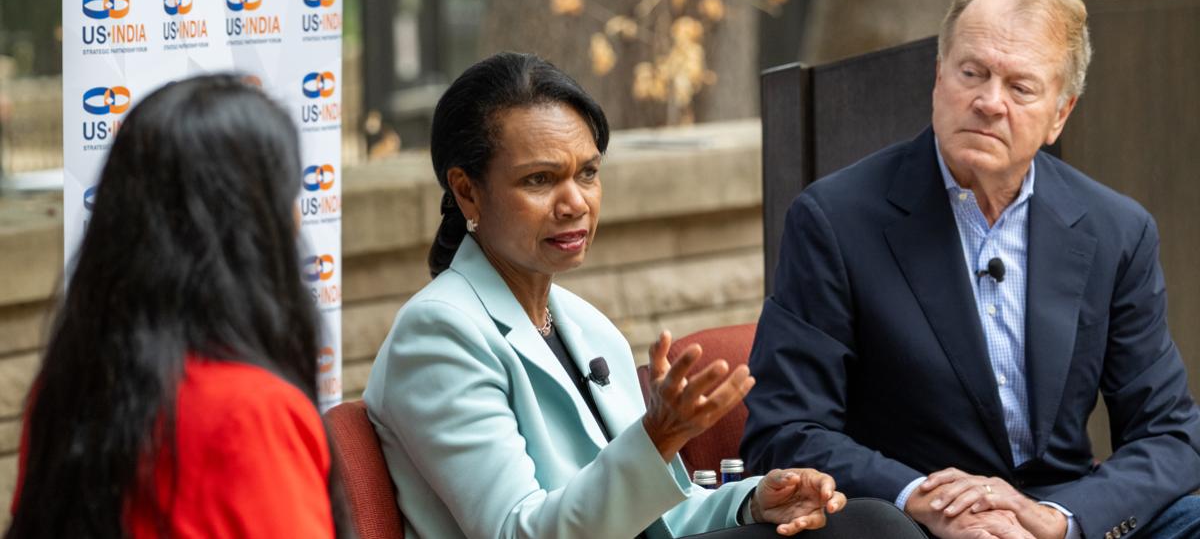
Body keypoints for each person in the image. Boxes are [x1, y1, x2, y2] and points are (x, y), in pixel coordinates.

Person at [740, 0, 1200, 539]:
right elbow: (785, 428)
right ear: (938, 79)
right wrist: (921, 499)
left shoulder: (1117, 230)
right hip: (912, 522)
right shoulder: (834, 220)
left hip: (1055, 521)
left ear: (1060, 113)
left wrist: (1061, 520)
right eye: (972, 73)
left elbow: (1170, 435)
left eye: (1021, 87)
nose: (989, 102)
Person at [364, 52, 850, 539]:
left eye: (588, 173)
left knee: (853, 522)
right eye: (540, 179)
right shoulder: (438, 333)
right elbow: (518, 533)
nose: (575, 202)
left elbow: (656, 517)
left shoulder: (584, 323)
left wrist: (752, 502)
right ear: (467, 191)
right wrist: (656, 438)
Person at [7, 75, 347, 538]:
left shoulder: (64, 390)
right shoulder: (252, 416)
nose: (296, 220)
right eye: (287, 197)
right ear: (247, 228)